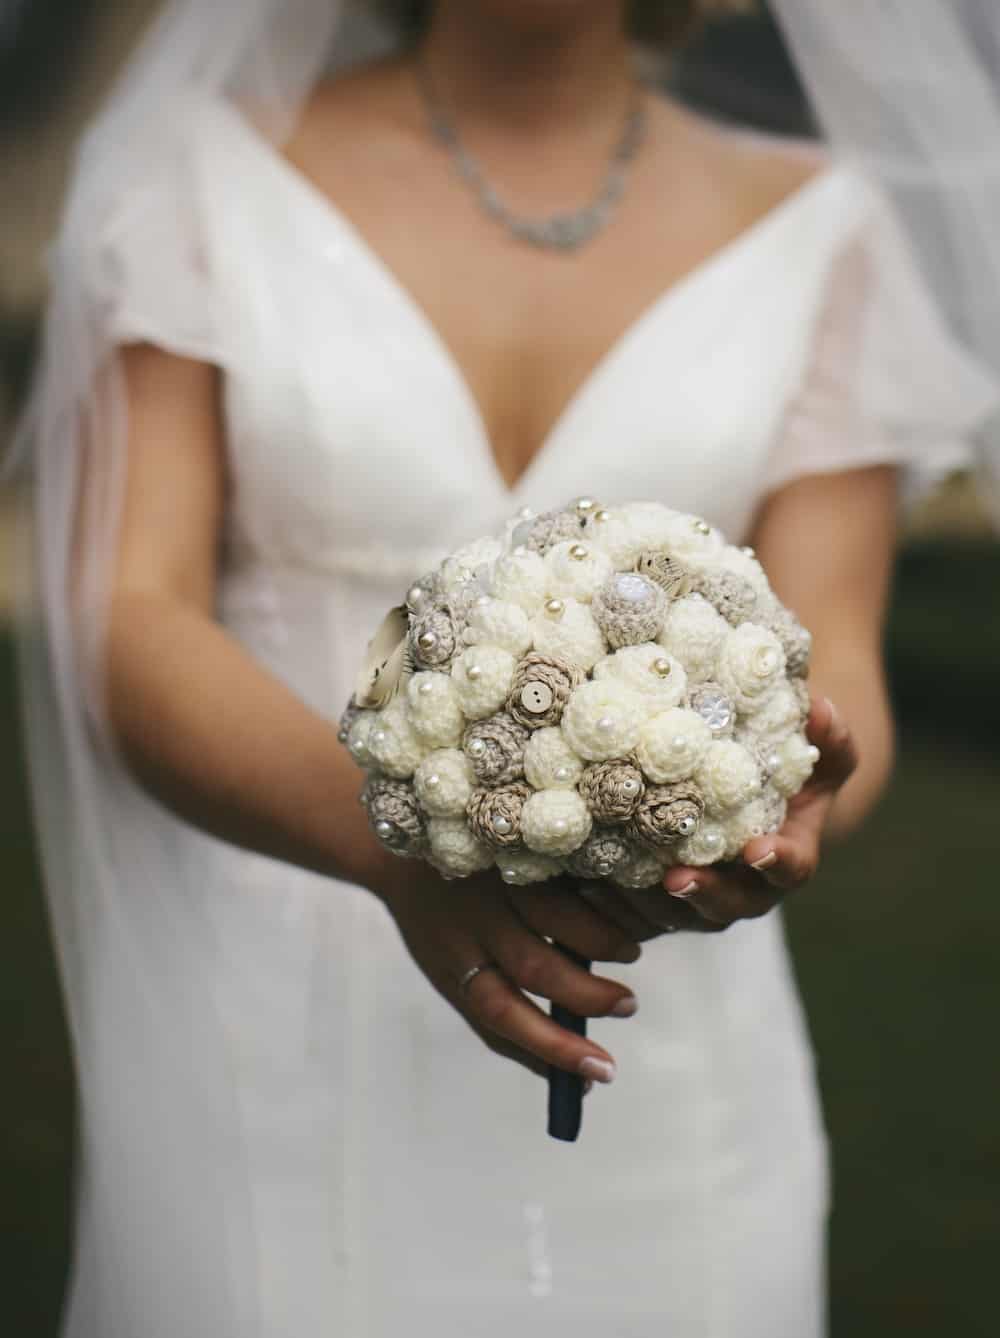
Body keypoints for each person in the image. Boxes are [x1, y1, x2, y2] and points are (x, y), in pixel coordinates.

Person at [14, 2, 998, 1335]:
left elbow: (840, 656)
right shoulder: (197, 178)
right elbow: (132, 613)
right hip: (281, 1017)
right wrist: (387, 847)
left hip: (668, 1049)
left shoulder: (824, 231)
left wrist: (782, 809)